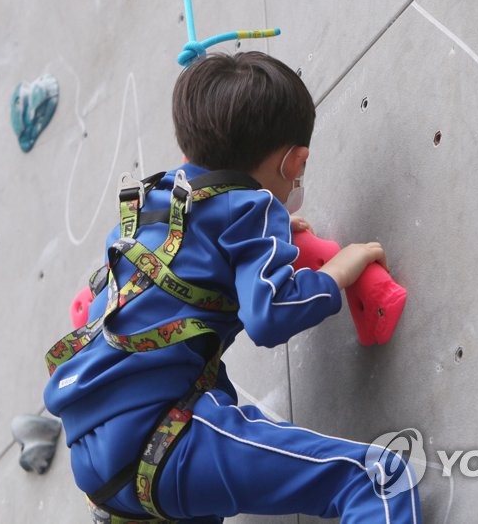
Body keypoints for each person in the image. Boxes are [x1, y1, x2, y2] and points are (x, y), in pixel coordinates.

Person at [43, 51, 420, 523]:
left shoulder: (150, 205)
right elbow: (269, 314)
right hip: (163, 439)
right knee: (376, 479)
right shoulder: (253, 210)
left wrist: (262, 248)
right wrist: (336, 273)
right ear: (295, 161)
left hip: (97, 461)